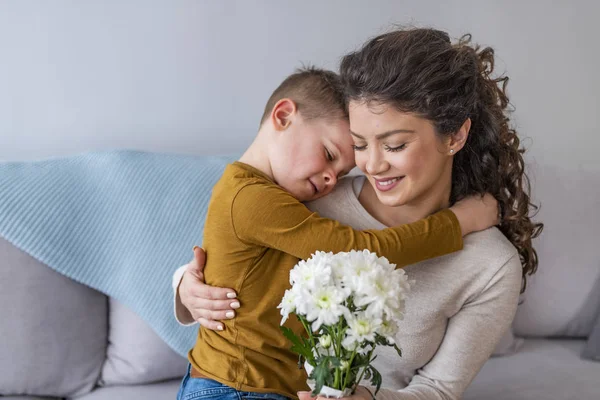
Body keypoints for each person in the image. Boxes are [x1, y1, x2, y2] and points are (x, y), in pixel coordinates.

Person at [175, 28, 543, 399]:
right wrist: (185, 285)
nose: (372, 165)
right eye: (360, 146)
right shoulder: (311, 197)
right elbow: (244, 254)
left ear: (454, 137)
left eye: (395, 144)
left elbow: (438, 390)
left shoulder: (490, 266)